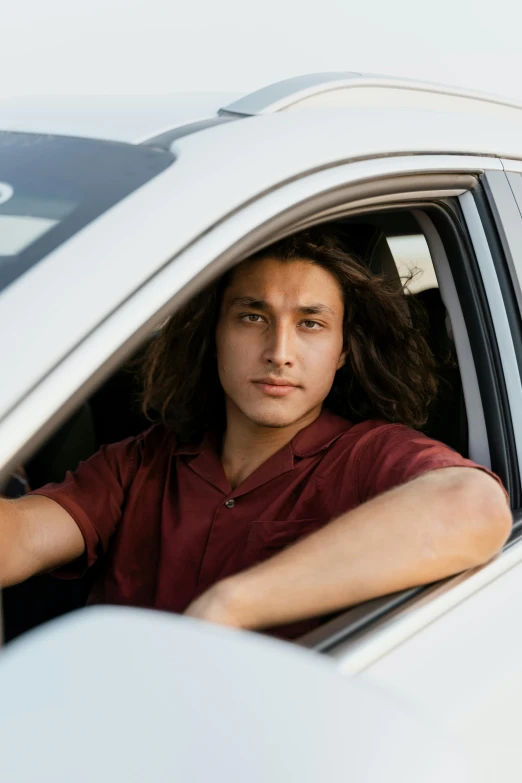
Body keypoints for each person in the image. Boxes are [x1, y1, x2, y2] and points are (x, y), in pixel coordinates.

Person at [0, 226, 512, 639]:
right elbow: (18, 539)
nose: (279, 352)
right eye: (252, 316)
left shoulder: (370, 455)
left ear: (343, 351)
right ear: (214, 335)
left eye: (310, 324)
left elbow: (475, 507)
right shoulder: (142, 461)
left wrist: (231, 605)